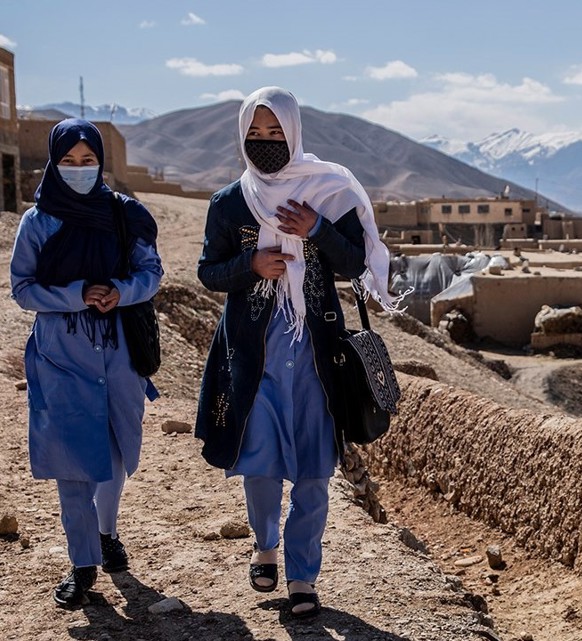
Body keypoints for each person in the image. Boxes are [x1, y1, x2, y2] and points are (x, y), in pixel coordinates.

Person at [195, 87, 397, 618]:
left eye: (275, 133)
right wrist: (250, 265)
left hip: (316, 353)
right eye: (254, 135)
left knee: (313, 468)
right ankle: (265, 547)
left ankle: (303, 577)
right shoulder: (229, 202)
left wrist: (318, 230)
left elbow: (356, 263)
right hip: (252, 352)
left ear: (294, 131)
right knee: (259, 459)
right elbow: (207, 271)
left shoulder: (329, 191)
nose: (265, 143)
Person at [10, 119, 162, 607]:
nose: (79, 170)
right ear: (55, 164)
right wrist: (77, 295)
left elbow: (151, 272)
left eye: (88, 161)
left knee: (116, 448)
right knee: (72, 463)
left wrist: (121, 291)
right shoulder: (37, 223)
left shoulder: (124, 216)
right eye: (68, 162)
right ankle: (81, 563)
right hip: (61, 357)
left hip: (119, 353)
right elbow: (23, 289)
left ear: (101, 162)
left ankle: (106, 532)